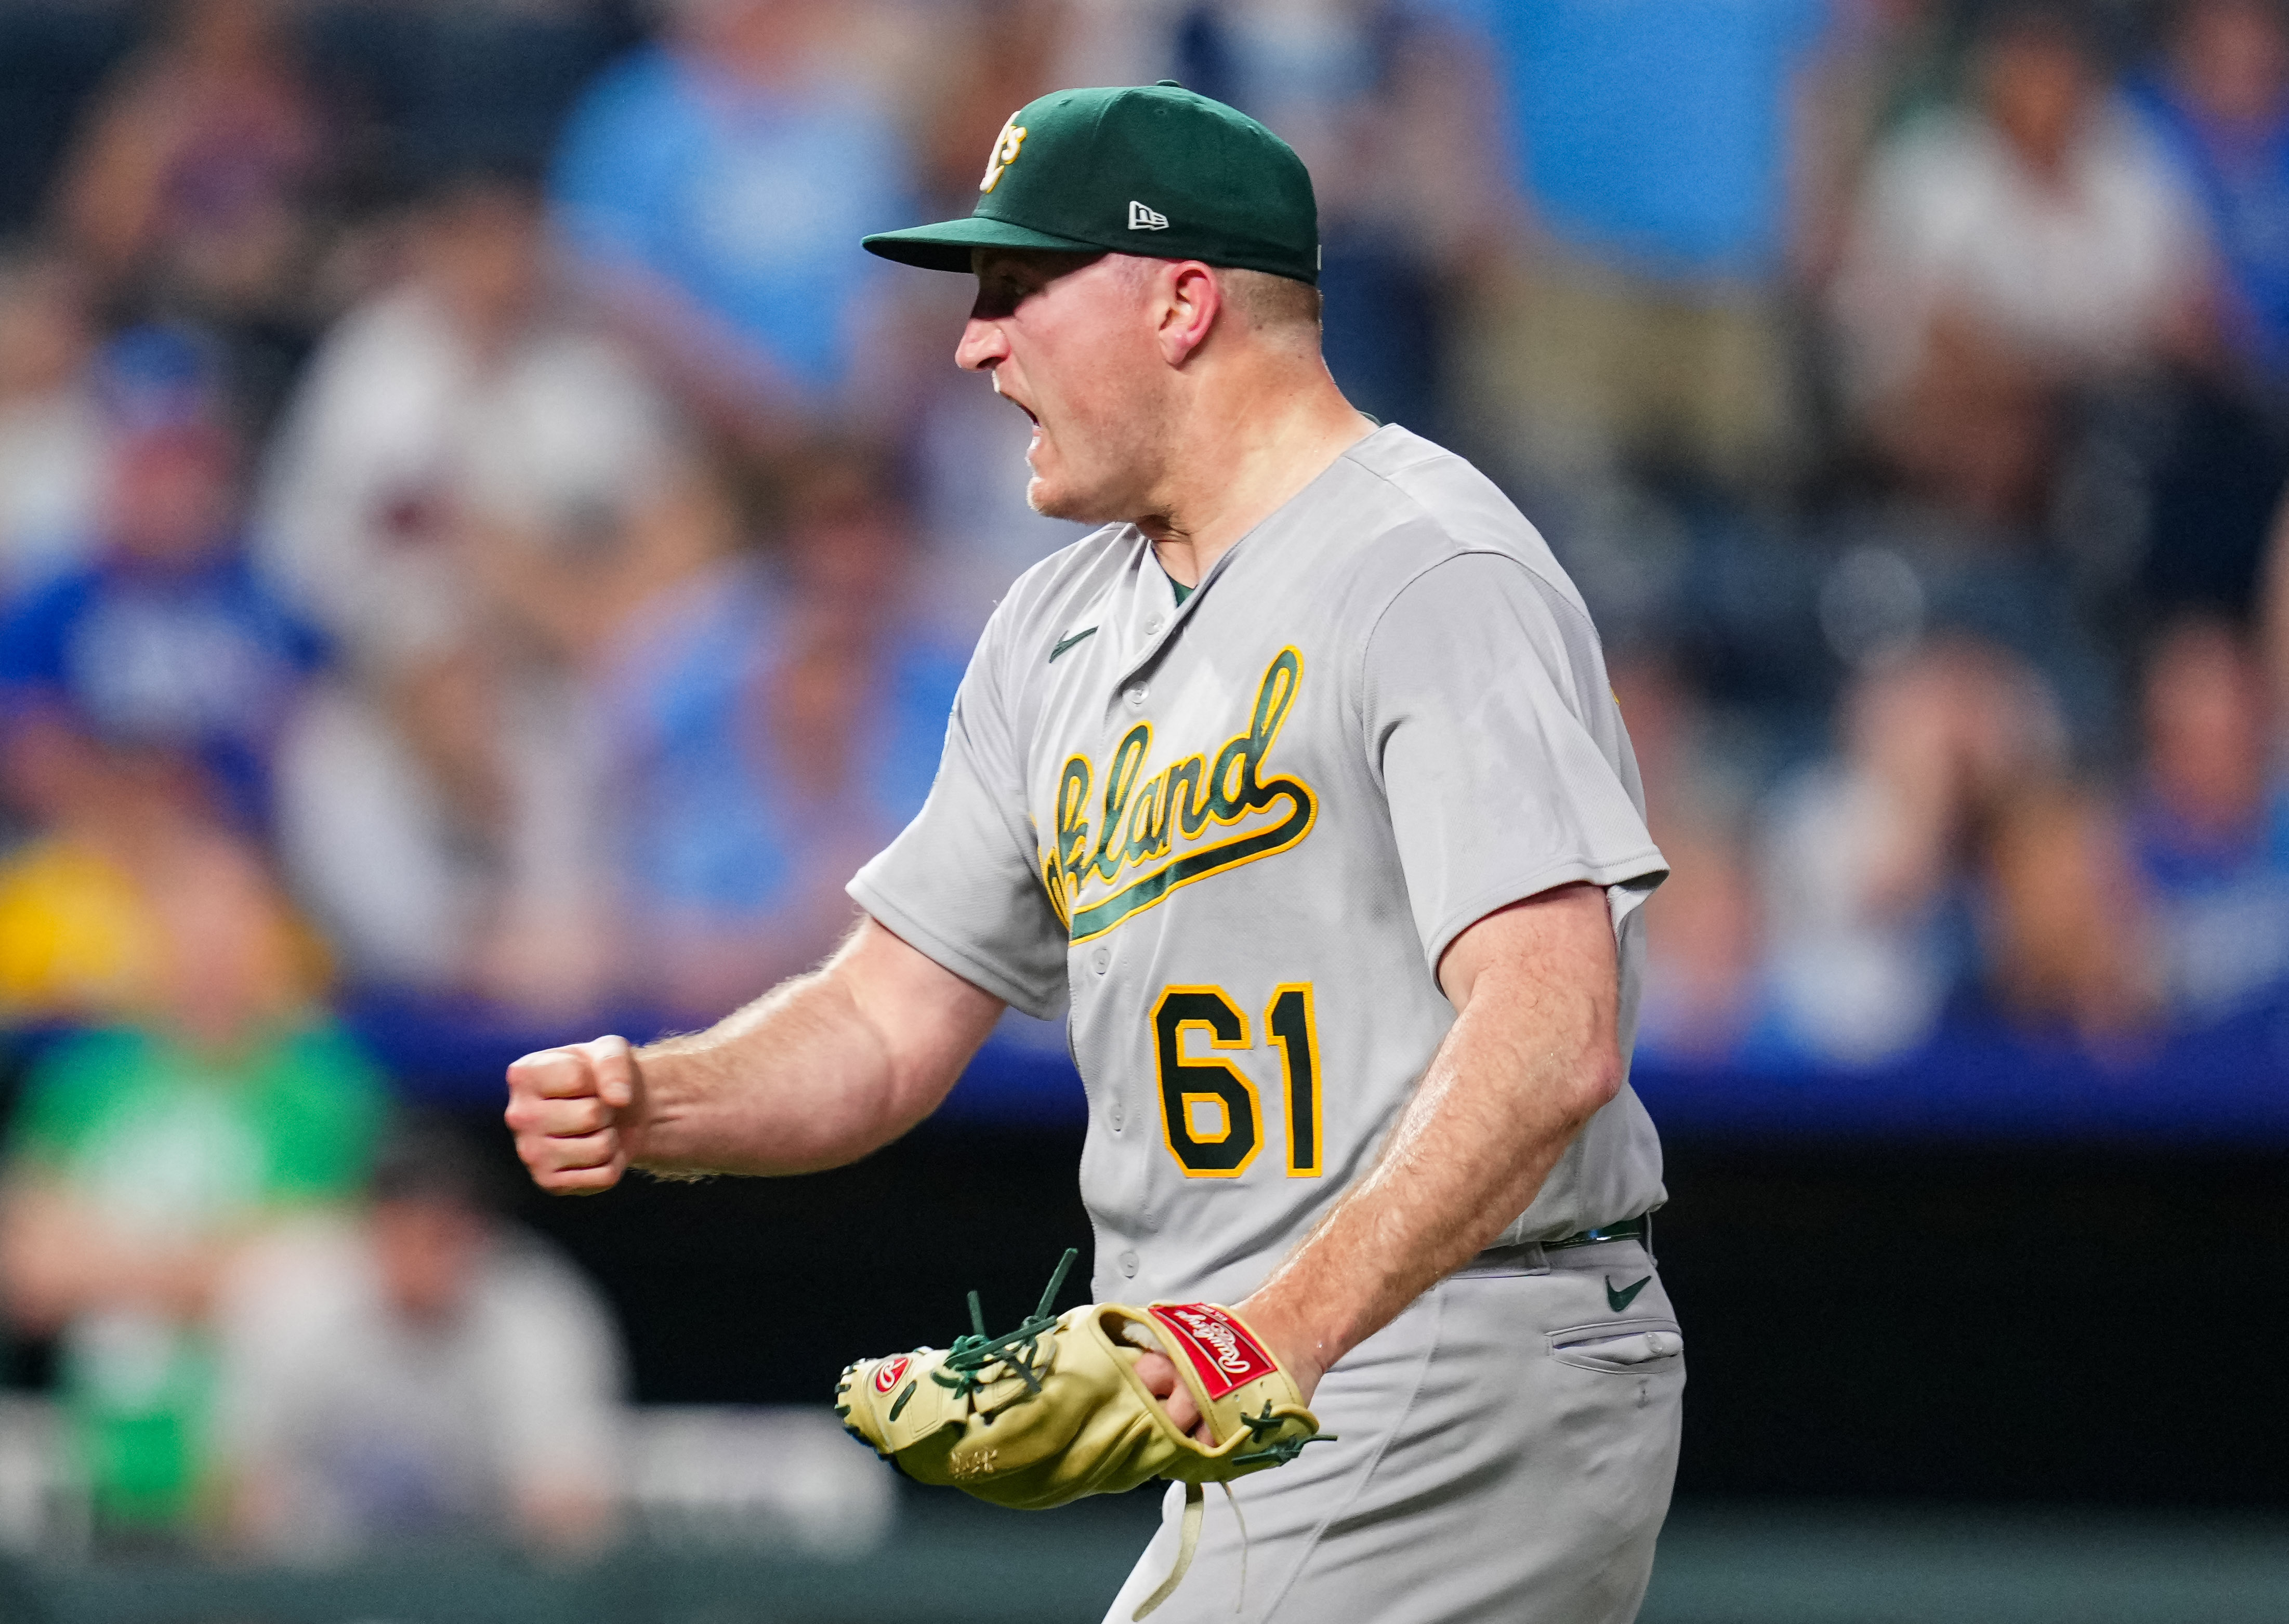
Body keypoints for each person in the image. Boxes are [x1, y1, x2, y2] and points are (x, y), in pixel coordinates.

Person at [506, 83, 1678, 1622]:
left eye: (1015, 290)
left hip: (1451, 1344)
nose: (972, 344)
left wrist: (1268, 1337)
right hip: (1278, 1394)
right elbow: (879, 1021)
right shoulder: (1054, 630)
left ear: (1183, 301)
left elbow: (1549, 1030)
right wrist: (667, 1095)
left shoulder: (1422, 573)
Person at [213, 1117, 624, 1560]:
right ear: (368, 1227)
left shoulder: (538, 1309)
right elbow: (237, 1484)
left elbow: (569, 1502)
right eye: (403, 1232)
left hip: (484, 1572)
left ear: (481, 1234)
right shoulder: (291, 1292)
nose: (422, 1258)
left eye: (443, 1236)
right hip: (322, 1567)